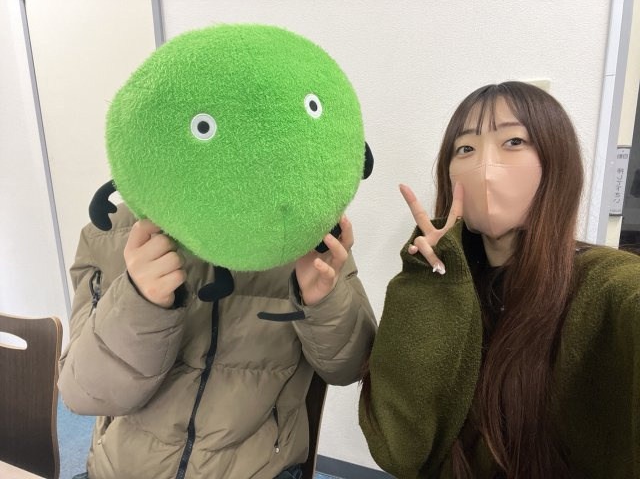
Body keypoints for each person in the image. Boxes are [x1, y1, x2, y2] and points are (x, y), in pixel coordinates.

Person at [359, 81, 640, 478]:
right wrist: (429, 282)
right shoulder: (444, 282)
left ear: (556, 162)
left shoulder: (604, 281)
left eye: (513, 142)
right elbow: (397, 451)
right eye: (466, 148)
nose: (486, 167)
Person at [58, 205, 376, 479]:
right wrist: (138, 301)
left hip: (257, 468)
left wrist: (322, 301)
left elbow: (350, 369)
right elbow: (82, 394)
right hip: (122, 468)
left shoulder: (308, 235)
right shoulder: (113, 230)